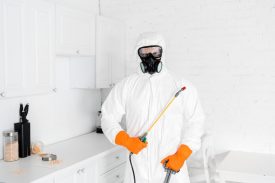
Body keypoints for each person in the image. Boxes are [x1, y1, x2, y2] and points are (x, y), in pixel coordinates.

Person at [101, 32, 205, 183]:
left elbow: (196, 121)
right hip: (138, 168)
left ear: (163, 52)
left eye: (155, 52)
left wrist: (182, 154)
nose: (150, 57)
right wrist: (125, 140)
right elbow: (108, 117)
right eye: (144, 52)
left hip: (170, 166)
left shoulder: (181, 85)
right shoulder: (126, 86)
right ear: (138, 54)